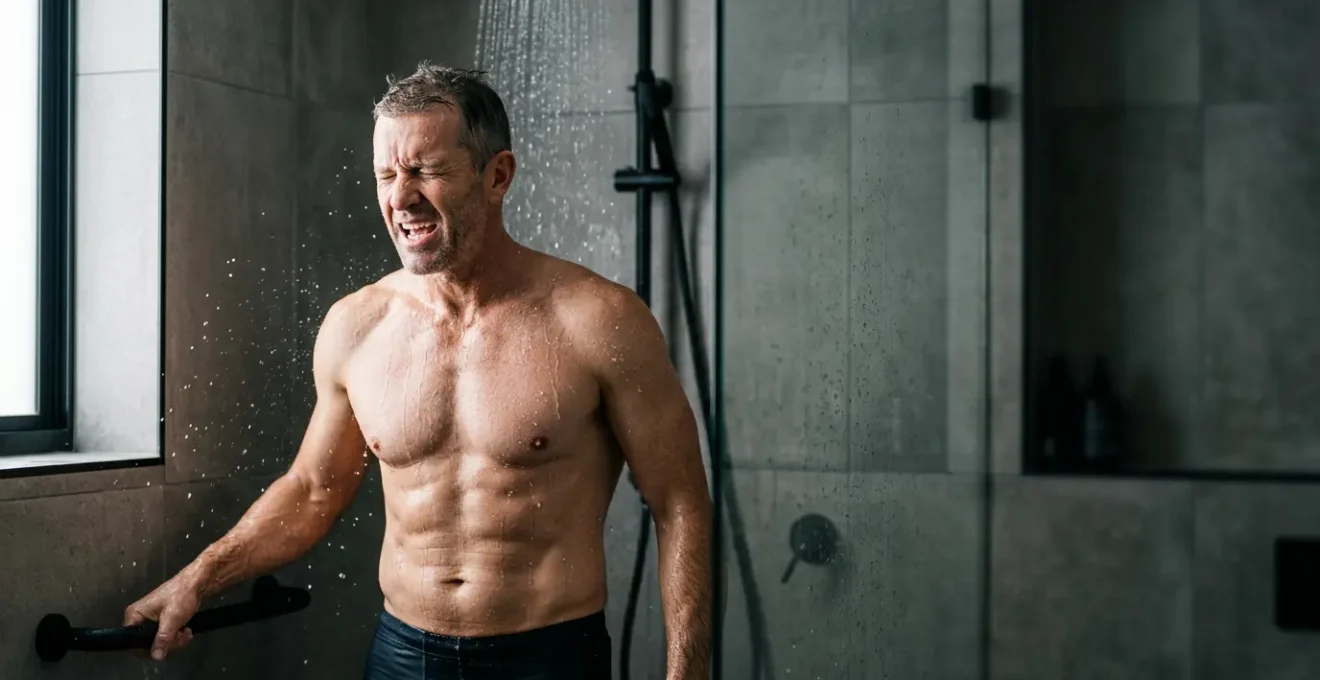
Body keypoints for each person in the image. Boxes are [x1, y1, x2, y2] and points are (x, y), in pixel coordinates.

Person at [124, 62, 713, 680]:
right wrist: (197, 580)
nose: (399, 198)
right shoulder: (358, 326)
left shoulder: (598, 320)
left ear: (497, 176)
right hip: (403, 656)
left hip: (548, 658)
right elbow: (313, 492)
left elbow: (680, 502)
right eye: (385, 174)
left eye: (425, 171)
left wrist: (688, 672)